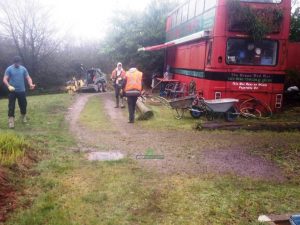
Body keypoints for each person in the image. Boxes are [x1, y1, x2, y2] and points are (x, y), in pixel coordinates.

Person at [3, 56, 35, 129]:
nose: (17, 64)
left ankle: (23, 116)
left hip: (21, 90)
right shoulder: (9, 69)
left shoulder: (23, 69)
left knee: (23, 105)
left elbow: (28, 77)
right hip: (12, 91)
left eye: (18, 63)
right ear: (14, 62)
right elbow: (5, 79)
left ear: (20, 62)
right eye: (15, 63)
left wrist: (30, 84)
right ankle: (11, 121)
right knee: (11, 106)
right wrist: (8, 86)